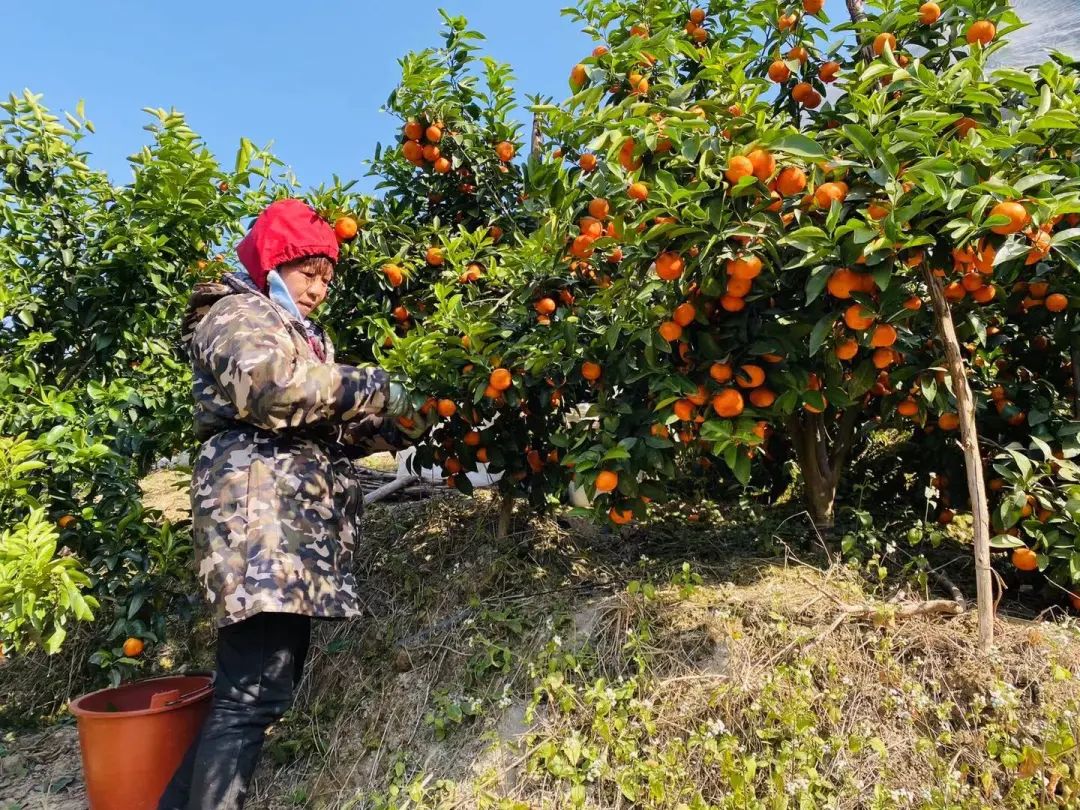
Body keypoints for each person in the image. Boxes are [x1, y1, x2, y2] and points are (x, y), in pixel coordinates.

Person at [159, 198, 429, 809]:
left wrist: (411, 422)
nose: (317, 290)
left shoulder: (303, 336)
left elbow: (331, 427)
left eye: (327, 278)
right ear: (275, 261)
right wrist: (377, 385)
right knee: (251, 694)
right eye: (308, 272)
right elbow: (273, 391)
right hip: (262, 527)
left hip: (289, 531)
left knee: (253, 691)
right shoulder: (237, 313)